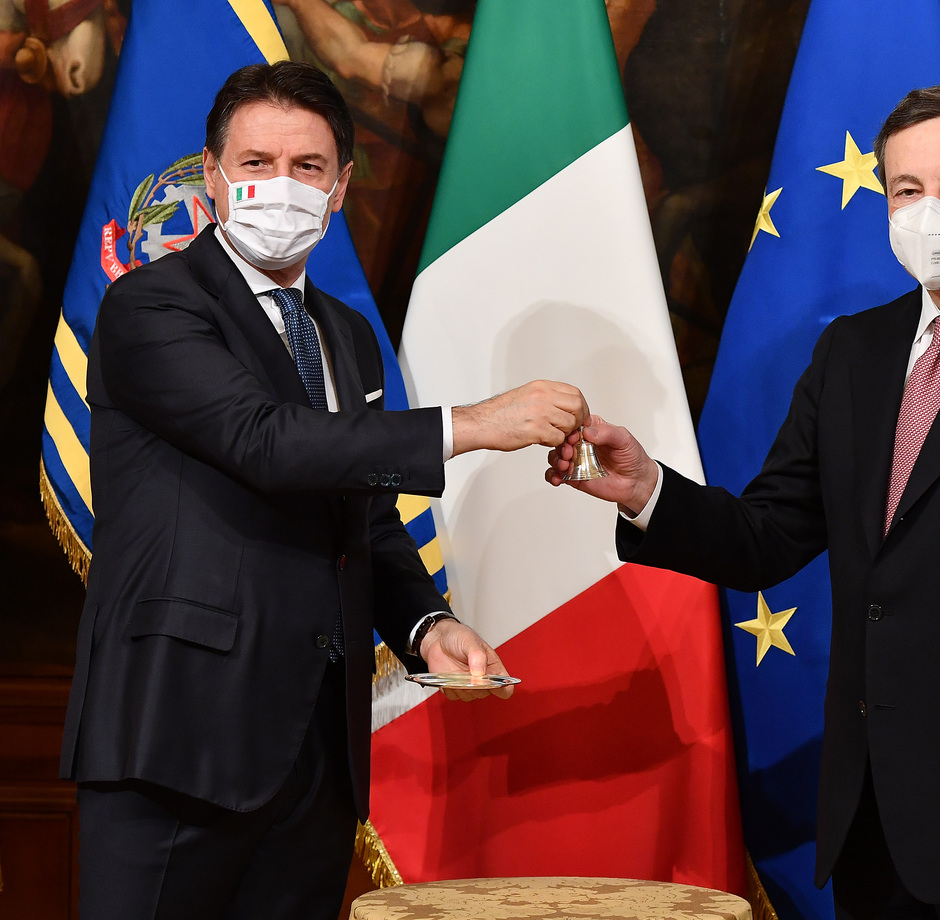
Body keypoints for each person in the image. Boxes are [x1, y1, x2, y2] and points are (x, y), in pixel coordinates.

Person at [548, 84, 940, 919]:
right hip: (870, 824)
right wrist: (648, 491)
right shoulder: (853, 353)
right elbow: (767, 536)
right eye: (907, 190)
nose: (931, 212)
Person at [61, 61, 588, 920]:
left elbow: (363, 514)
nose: (280, 187)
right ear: (212, 176)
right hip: (177, 736)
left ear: (339, 188)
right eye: (256, 163)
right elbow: (264, 442)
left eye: (306, 166)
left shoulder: (344, 334)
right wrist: (473, 423)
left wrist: (426, 624)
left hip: (316, 753)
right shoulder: (151, 307)